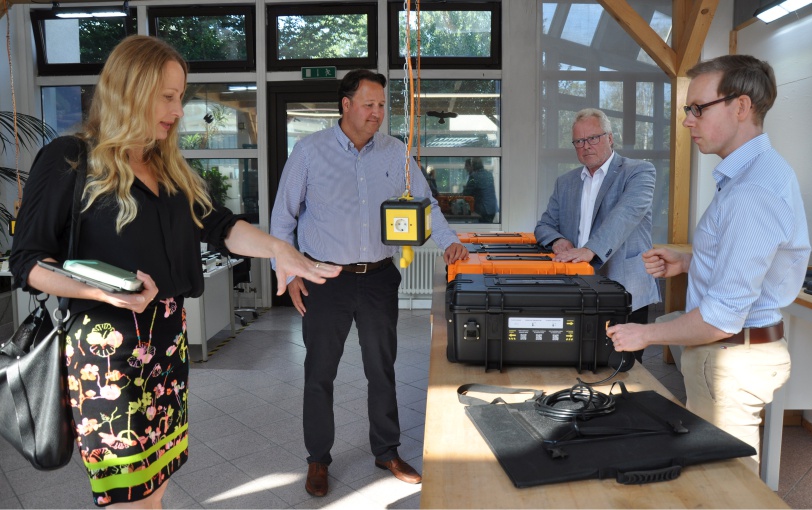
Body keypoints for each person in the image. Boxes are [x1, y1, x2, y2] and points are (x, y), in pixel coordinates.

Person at [9, 35, 340, 508]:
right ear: (129, 91)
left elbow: (221, 227)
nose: (179, 109)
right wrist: (105, 293)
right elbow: (28, 262)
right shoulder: (69, 159)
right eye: (167, 96)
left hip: (166, 344)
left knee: (158, 484)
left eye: (180, 96)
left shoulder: (167, 168)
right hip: (108, 354)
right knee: (128, 495)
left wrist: (279, 250)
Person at [269, 69, 468, 497]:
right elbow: (283, 218)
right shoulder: (309, 151)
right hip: (325, 280)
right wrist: (289, 275)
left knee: (382, 369)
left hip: (378, 278)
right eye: (369, 104)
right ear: (346, 105)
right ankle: (318, 459)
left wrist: (450, 243)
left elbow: (425, 203)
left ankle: (387, 450)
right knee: (320, 372)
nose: (378, 112)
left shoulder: (396, 152)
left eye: (382, 105)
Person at [607, 55, 810, 472]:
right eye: (688, 110)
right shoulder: (750, 175)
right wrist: (688, 262)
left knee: (726, 490)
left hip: (730, 359)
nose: (688, 121)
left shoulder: (752, 191)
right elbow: (745, 259)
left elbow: (721, 318)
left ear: (741, 107)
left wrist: (645, 333)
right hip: (733, 354)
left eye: (698, 108)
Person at [535, 108, 660, 362]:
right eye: (579, 141)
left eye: (593, 138)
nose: (586, 146)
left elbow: (624, 216)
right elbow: (544, 225)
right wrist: (558, 240)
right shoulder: (565, 182)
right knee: (580, 360)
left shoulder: (639, 172)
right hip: (578, 288)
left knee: (624, 366)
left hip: (625, 287)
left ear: (610, 138)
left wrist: (589, 249)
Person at [462, 157, 497, 222]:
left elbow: (466, 193)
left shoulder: (474, 176)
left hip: (482, 210)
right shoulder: (489, 174)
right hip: (492, 208)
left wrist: (465, 188)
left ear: (472, 166)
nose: (465, 168)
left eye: (467, 166)